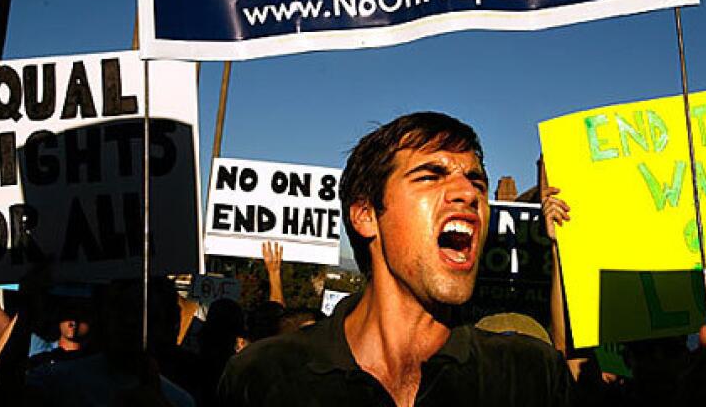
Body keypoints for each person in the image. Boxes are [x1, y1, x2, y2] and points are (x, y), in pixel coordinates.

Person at [219, 111, 572, 406]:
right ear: (366, 215)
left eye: (476, 182)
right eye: (431, 175)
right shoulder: (262, 379)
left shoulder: (530, 377)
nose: (469, 193)